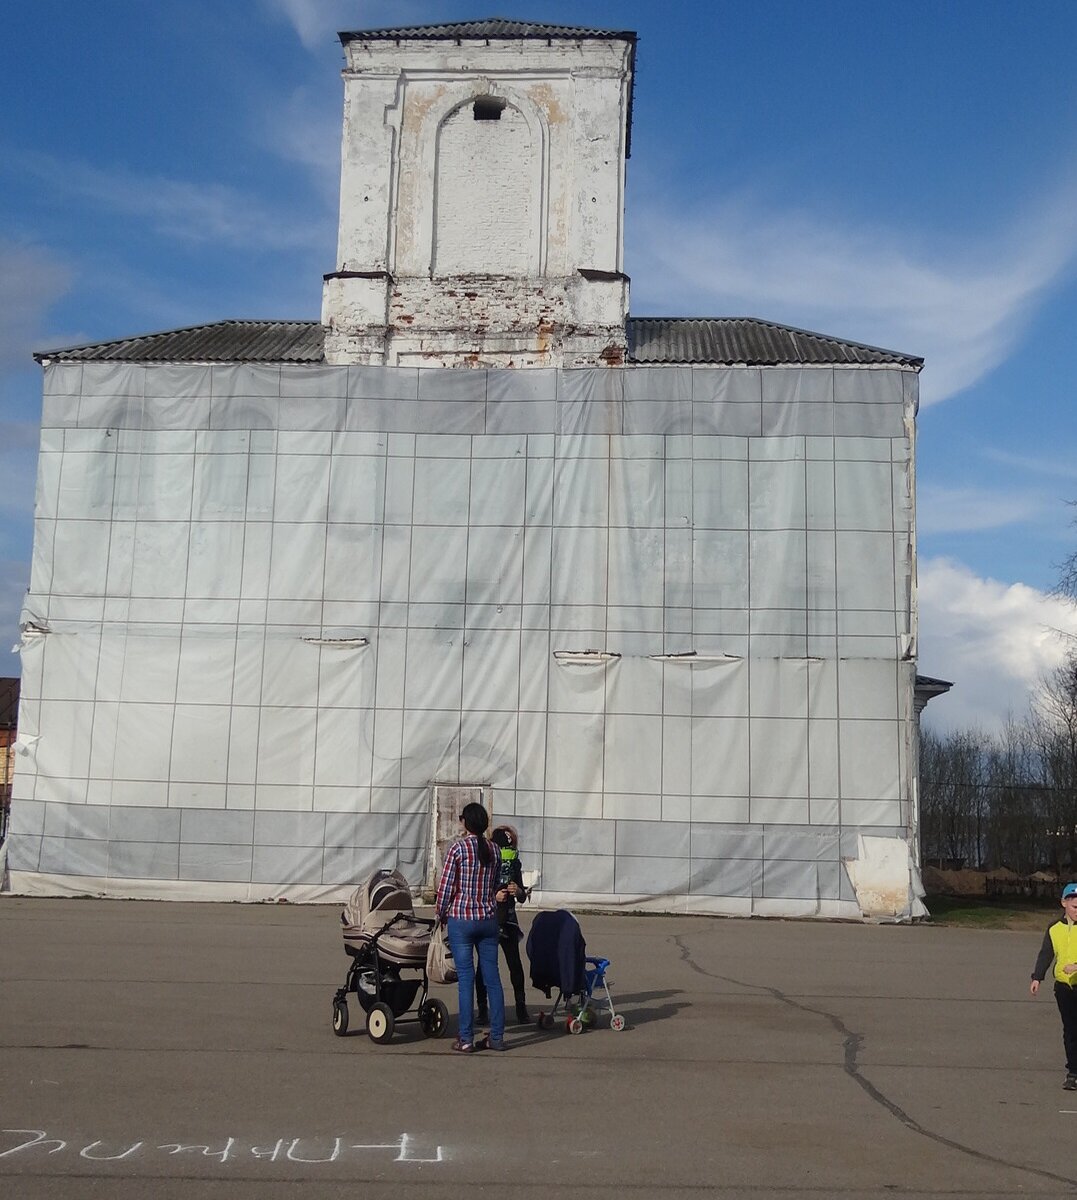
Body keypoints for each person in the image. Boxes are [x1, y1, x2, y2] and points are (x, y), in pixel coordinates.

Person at [435, 802, 508, 1053]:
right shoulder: (495, 850)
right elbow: (498, 883)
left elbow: (445, 888)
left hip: (462, 919)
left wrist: (440, 913)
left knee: (465, 978)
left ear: (465, 822)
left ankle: (465, 1038)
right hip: (488, 919)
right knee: (493, 979)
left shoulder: (457, 849)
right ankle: (497, 1037)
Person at [475, 825, 530, 1026]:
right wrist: (493, 895)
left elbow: (523, 894)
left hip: (508, 921)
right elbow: (477, 891)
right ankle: (482, 1009)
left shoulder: (515, 864)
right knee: (483, 967)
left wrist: (518, 891)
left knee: (514, 964)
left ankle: (521, 1007)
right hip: (488, 920)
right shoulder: (485, 863)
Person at [1030, 881, 1077, 1089]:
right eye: (1075, 906)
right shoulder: (1054, 929)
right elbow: (1046, 954)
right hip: (1064, 988)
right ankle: (1073, 1072)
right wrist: (1037, 977)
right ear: (1064, 903)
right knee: (1071, 1031)